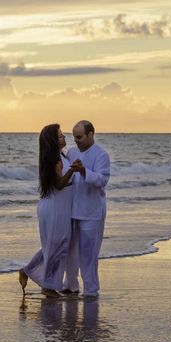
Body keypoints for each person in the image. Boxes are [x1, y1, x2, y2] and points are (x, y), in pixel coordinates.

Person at [19, 124, 75, 297]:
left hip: (61, 206)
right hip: (53, 207)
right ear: (52, 141)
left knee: (58, 245)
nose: (64, 137)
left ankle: (28, 270)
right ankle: (48, 286)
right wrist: (73, 169)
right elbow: (58, 185)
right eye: (59, 136)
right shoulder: (54, 160)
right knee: (55, 245)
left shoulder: (62, 156)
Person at [62, 120, 110, 298]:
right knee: (70, 251)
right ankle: (70, 285)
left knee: (88, 254)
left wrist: (83, 171)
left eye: (80, 137)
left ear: (91, 135)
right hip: (72, 210)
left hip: (92, 212)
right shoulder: (72, 152)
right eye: (74, 136)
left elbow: (102, 180)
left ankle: (91, 290)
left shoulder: (101, 155)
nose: (76, 140)